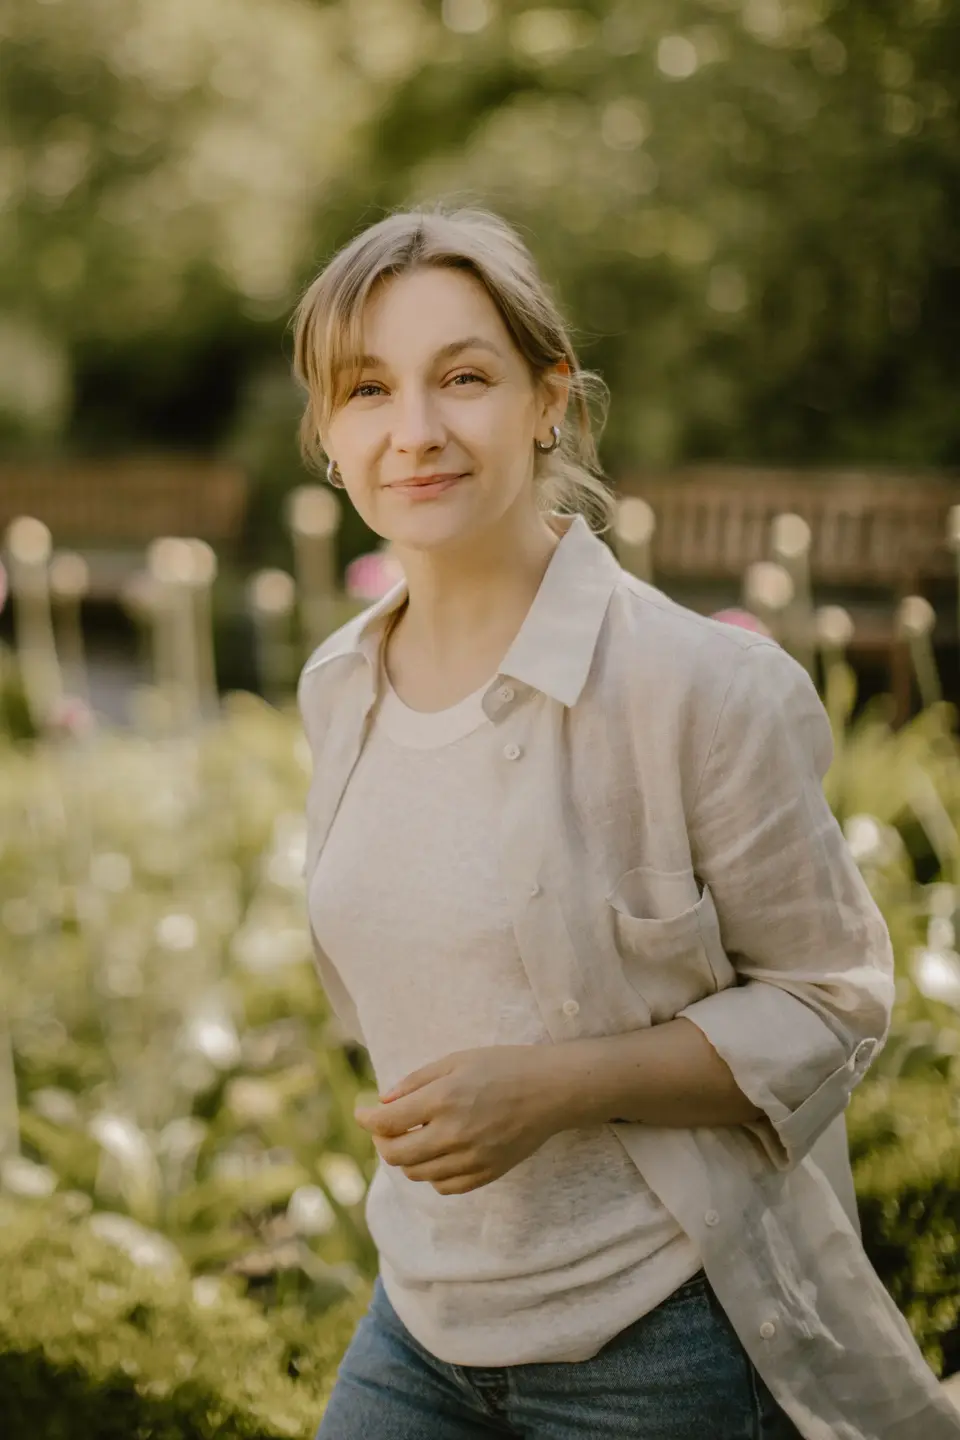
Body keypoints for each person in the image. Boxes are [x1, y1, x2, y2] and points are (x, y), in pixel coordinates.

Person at [291, 202, 960, 1440]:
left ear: (550, 400)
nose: (418, 431)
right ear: (328, 434)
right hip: (420, 1321)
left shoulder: (699, 689)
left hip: (659, 1340)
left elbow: (835, 1000)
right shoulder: (339, 685)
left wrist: (554, 1089)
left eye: (466, 377)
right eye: (369, 389)